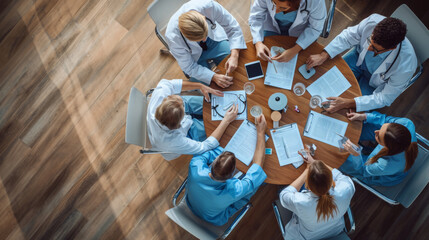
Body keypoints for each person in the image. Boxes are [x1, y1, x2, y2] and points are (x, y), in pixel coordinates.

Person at [306, 14, 417, 113]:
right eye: (370, 41)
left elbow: (385, 98)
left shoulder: (406, 65)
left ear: (392, 48)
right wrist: (323, 55)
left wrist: (348, 103)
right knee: (325, 80)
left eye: (374, 49)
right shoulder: (373, 22)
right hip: (358, 58)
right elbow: (347, 37)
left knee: (347, 112)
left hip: (374, 85)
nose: (368, 48)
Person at [186, 115, 268, 226]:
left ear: (214, 162)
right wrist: (260, 132)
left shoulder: (195, 166)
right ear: (233, 176)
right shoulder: (233, 191)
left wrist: (222, 154)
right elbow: (258, 166)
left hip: (191, 203)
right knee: (258, 182)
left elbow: (207, 152)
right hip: (215, 218)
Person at [147, 79, 238, 161]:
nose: (184, 105)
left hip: (173, 118)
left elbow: (172, 85)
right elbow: (204, 146)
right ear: (180, 122)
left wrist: (200, 86)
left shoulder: (160, 95)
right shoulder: (173, 141)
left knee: (210, 104)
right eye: (184, 108)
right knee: (214, 126)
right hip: (185, 134)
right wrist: (226, 121)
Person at [165, 0, 247, 88]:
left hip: (214, 40)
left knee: (238, 66)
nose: (204, 40)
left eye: (205, 34)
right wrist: (213, 76)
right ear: (185, 36)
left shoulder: (208, 6)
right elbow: (189, 67)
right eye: (200, 38)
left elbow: (232, 27)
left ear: (204, 17)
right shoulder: (173, 37)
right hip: (193, 56)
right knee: (207, 87)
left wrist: (234, 55)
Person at [279, 152, 355, 239]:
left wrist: (308, 170)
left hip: (307, 237)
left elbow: (284, 194)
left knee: (281, 190)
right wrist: (316, 163)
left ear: (307, 186)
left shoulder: (301, 202)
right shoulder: (346, 188)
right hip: (335, 232)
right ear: (331, 180)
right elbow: (339, 176)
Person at [339, 110, 418, 186]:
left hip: (374, 173)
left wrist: (356, 154)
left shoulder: (384, 166)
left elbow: (362, 170)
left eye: (378, 137)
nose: (375, 132)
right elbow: (385, 119)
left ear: (385, 147)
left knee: (342, 159)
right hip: (390, 150)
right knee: (356, 128)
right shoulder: (406, 123)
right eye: (382, 128)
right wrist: (365, 116)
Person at [248, 0, 326, 62]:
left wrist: (294, 51)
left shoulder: (315, 2)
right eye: (274, 3)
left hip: (300, 33)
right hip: (272, 26)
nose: (276, 11)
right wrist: (258, 43)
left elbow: (315, 28)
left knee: (300, 61)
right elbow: (255, 17)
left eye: (283, 8)